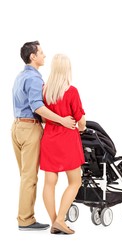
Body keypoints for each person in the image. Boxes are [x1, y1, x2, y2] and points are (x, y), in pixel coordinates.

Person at [11, 41, 76, 231]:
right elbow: (37, 107)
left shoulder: (20, 76)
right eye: (41, 52)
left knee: (26, 176)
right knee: (29, 178)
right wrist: (62, 120)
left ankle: (36, 218)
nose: (44, 55)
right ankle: (26, 220)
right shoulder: (35, 79)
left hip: (17, 127)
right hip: (30, 128)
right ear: (33, 56)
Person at [40, 54, 86, 234]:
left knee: (49, 182)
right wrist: (81, 127)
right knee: (75, 181)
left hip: (49, 139)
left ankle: (54, 222)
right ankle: (60, 219)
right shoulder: (71, 91)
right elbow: (80, 120)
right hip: (67, 140)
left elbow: (43, 116)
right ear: (67, 69)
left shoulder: (44, 91)